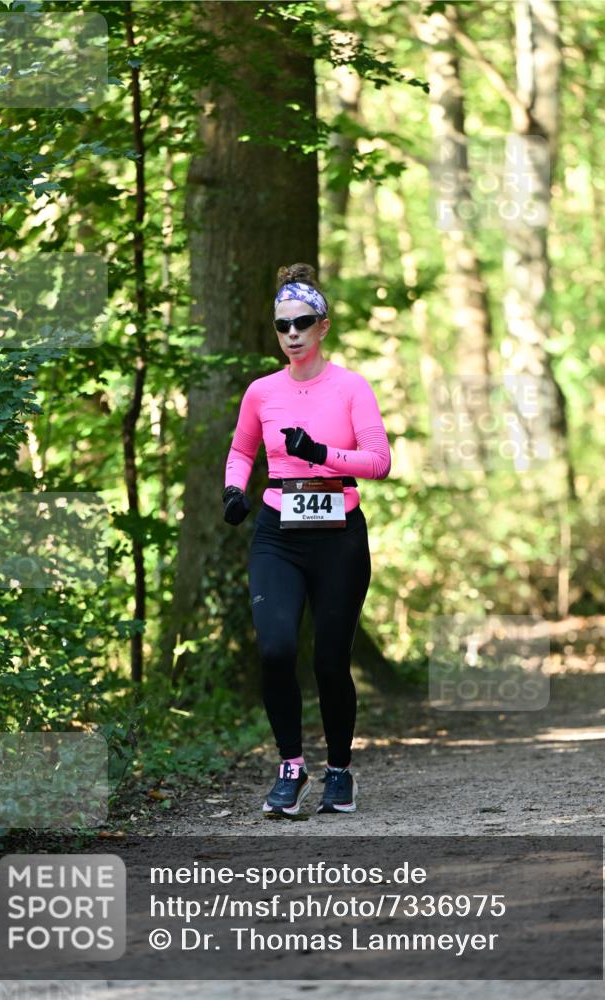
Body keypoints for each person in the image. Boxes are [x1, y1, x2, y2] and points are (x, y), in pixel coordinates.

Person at [222, 262, 391, 818]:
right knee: (275, 650)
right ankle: (291, 768)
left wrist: (321, 455)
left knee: (328, 660)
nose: (291, 334)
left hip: (338, 532)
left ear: (323, 327)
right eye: (281, 325)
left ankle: (339, 771)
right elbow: (244, 450)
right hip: (278, 533)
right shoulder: (261, 391)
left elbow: (379, 462)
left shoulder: (350, 387)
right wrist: (233, 491)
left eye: (302, 323)